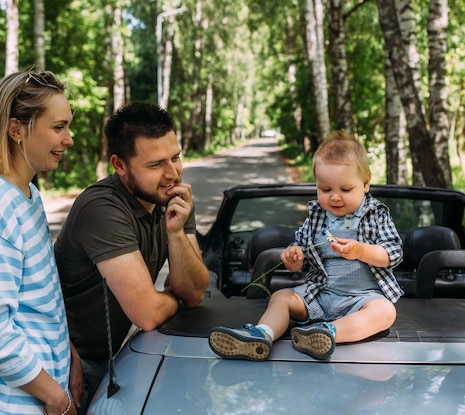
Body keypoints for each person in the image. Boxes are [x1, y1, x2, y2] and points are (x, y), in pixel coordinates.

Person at [54, 102, 210, 413]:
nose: (172, 173)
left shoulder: (171, 196)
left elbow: (194, 291)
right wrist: (171, 299)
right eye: (155, 165)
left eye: (176, 158)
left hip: (118, 354)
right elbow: (148, 314)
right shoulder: (102, 209)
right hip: (69, 362)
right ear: (120, 165)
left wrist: (177, 234)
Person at [209, 131, 403, 361]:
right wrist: (292, 257)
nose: (335, 197)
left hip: (363, 298)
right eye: (326, 189)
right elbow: (299, 254)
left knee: (385, 312)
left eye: (346, 189)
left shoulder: (377, 215)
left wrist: (361, 250)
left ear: (366, 183)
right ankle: (262, 334)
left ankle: (328, 333)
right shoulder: (317, 217)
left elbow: (393, 253)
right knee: (281, 297)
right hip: (320, 296)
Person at [0, 71, 76, 415]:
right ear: (16, 129)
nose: (69, 139)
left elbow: (39, 300)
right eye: (58, 127)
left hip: (35, 397)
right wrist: (55, 396)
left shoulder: (28, 195)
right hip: (4, 406)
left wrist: (68, 358)